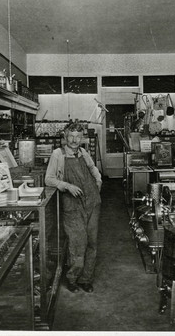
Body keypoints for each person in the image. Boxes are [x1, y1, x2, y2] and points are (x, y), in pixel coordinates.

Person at [45, 122, 102, 293]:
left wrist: (98, 181)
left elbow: (93, 168)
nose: (75, 140)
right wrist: (66, 186)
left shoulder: (84, 152)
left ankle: (86, 279)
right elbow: (49, 179)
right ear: (65, 136)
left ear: (82, 137)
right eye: (71, 136)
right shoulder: (58, 154)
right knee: (78, 243)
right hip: (72, 205)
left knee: (92, 242)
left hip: (92, 202)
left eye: (78, 136)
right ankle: (72, 278)